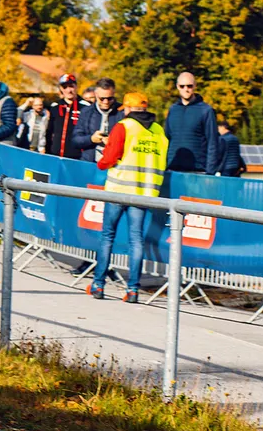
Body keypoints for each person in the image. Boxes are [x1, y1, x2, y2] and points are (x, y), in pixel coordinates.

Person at [90, 92, 168, 303]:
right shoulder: (158, 130)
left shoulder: (123, 127)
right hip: (143, 194)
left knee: (107, 236)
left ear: (128, 108)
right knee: (136, 241)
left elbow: (108, 159)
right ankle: (133, 289)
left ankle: (98, 284)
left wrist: (103, 161)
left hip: (119, 189)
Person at [165, 72, 220, 174]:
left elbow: (213, 142)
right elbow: (166, 139)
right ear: (177, 87)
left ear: (195, 86)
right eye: (182, 86)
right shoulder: (173, 109)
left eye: (189, 86)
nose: (186, 89)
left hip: (197, 171)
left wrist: (210, 172)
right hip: (172, 169)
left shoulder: (206, 110)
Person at [73, 78, 123, 162]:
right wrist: (91, 139)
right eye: (102, 98)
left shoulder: (122, 112)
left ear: (114, 94)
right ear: (96, 94)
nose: (106, 102)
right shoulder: (86, 112)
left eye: (110, 98)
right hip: (90, 163)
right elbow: (75, 140)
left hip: (114, 165)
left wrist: (113, 143)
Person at [46, 73, 83, 159]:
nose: (68, 90)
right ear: (61, 89)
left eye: (71, 86)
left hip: (76, 157)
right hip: (55, 155)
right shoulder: (55, 107)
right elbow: (49, 131)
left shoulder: (85, 107)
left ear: (76, 87)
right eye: (65, 87)